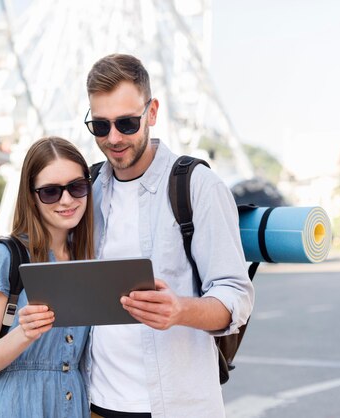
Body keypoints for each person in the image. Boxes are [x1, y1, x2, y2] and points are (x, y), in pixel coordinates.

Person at [84, 54, 254, 417]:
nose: (113, 138)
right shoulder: (87, 189)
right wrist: (0, 250)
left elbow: (235, 296)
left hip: (175, 405)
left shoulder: (198, 187)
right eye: (100, 126)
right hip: (94, 403)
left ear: (152, 112)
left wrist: (180, 310)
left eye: (127, 123)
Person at [0, 136, 95, 418]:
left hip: (72, 405)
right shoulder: (4, 257)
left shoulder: (88, 259)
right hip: (16, 406)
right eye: (50, 192)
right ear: (31, 196)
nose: (67, 200)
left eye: (76, 187)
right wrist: (24, 333)